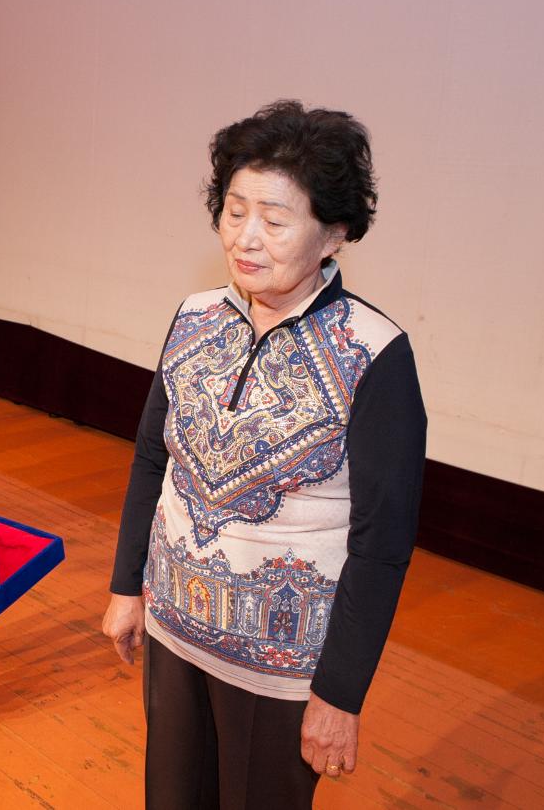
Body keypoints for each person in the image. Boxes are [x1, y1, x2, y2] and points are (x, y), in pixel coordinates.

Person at [102, 100, 426, 809]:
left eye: (275, 220)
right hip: (176, 633)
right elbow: (153, 461)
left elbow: (383, 541)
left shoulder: (375, 353)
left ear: (334, 233)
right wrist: (128, 586)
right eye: (234, 210)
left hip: (280, 673)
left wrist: (339, 693)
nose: (247, 236)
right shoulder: (193, 318)